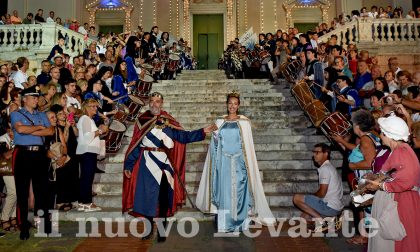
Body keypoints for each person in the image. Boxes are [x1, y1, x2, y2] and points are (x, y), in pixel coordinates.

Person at [123, 92, 217, 242]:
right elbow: (136, 144)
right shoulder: (142, 120)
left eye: (158, 101)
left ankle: (161, 231)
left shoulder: (168, 121)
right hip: (147, 164)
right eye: (152, 101)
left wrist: (202, 132)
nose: (155, 104)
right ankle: (148, 231)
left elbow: (182, 137)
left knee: (164, 198)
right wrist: (129, 164)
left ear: (162, 103)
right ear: (149, 103)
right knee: (148, 198)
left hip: (165, 165)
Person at [196, 91, 275, 233]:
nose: (232, 106)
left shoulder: (244, 122)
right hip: (224, 162)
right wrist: (214, 136)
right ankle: (224, 224)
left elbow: (247, 146)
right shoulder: (220, 121)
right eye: (230, 103)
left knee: (240, 191)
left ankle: (241, 223)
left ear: (238, 105)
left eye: (235, 104)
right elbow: (215, 144)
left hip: (239, 163)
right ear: (226, 105)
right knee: (225, 192)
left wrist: (246, 163)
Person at [366, 115, 420, 252]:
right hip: (398, 199)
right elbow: (387, 172)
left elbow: (406, 181)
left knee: (397, 242)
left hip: (401, 202)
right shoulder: (399, 150)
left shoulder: (402, 151)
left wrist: (380, 185)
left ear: (388, 134)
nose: (380, 136)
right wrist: (375, 179)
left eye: (382, 133)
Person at [10, 85, 54, 240]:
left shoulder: (42, 114)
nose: (37, 100)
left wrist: (31, 128)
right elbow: (19, 130)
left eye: (37, 97)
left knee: (42, 190)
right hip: (22, 153)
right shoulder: (16, 114)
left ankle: (43, 223)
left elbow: (50, 131)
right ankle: (23, 227)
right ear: (25, 99)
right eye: (33, 97)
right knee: (22, 192)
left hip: (40, 154)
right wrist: (38, 128)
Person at [293, 143, 344, 230]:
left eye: (317, 152)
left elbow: (322, 193)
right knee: (303, 218)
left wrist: (310, 198)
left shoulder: (325, 169)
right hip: (336, 207)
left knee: (297, 198)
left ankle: (323, 222)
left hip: (330, 206)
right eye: (313, 152)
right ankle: (331, 220)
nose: (314, 155)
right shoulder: (329, 167)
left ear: (326, 153)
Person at [76, 99, 108, 212]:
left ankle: (82, 203)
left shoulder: (89, 120)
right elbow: (86, 137)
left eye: (96, 106)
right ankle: (87, 203)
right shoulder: (85, 119)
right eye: (93, 106)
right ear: (87, 107)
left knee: (86, 177)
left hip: (89, 151)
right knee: (87, 178)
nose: (95, 108)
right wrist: (100, 131)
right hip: (87, 151)